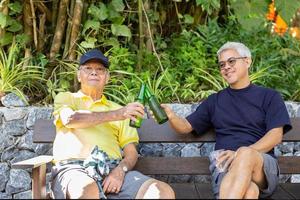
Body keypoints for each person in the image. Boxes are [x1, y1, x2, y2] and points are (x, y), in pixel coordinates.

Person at [161, 42, 292, 199]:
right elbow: (185, 127)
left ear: (247, 61)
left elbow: (275, 136)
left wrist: (240, 154)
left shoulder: (269, 96)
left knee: (245, 153)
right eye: (222, 64)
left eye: (231, 61)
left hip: (261, 166)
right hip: (225, 163)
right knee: (250, 192)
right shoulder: (215, 101)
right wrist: (171, 115)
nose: (226, 67)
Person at [51, 49, 175, 199]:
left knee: (162, 192)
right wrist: (118, 115)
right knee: (85, 189)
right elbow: (71, 119)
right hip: (75, 168)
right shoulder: (66, 98)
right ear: (78, 75)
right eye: (88, 68)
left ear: (107, 77)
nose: (94, 72)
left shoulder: (119, 108)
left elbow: (131, 152)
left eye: (100, 69)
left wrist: (120, 171)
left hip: (112, 168)